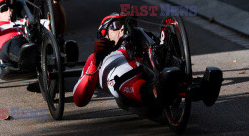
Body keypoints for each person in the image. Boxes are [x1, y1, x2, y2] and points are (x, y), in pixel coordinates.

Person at [73, 12, 222, 109]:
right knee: (123, 74)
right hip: (123, 71)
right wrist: (96, 62)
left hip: (147, 62)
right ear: (104, 35)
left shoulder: (142, 40)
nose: (124, 28)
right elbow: (79, 100)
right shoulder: (96, 57)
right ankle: (156, 91)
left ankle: (201, 87)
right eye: (116, 25)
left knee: (162, 50)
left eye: (128, 23)